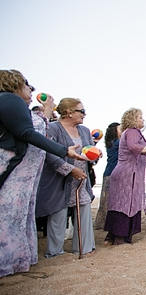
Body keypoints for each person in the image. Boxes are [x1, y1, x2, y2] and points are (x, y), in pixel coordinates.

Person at [0, 70, 83, 278]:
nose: (31, 90)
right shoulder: (10, 99)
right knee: (9, 214)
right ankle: (7, 262)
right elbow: (28, 132)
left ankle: (16, 260)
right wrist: (64, 150)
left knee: (17, 215)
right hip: (13, 167)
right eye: (28, 86)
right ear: (16, 84)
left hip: (23, 170)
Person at [36, 97, 96, 258]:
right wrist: (70, 169)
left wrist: (95, 155)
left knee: (83, 211)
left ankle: (84, 247)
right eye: (81, 111)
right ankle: (55, 252)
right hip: (59, 178)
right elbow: (48, 152)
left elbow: (91, 150)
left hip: (82, 178)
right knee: (58, 213)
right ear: (69, 112)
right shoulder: (53, 128)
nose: (85, 114)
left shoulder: (84, 130)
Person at [104, 109, 146, 245]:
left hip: (128, 173)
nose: (142, 120)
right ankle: (119, 237)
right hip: (128, 174)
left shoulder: (132, 132)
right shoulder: (131, 132)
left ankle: (112, 236)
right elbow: (134, 147)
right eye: (140, 117)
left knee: (119, 203)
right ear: (133, 119)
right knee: (125, 204)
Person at [94, 122, 120, 228]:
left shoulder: (111, 142)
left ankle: (102, 223)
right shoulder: (117, 142)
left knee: (105, 201)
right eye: (120, 129)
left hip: (109, 173)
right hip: (112, 174)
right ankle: (106, 223)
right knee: (109, 201)